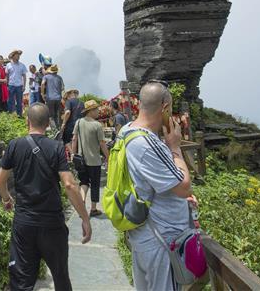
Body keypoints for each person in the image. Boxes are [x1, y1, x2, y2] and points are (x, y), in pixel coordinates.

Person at [0, 103, 92, 291]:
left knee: (21, 282)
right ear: (48, 123)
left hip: (24, 224)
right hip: (52, 224)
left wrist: (7, 199)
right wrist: (84, 218)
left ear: (27, 121)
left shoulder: (15, 145)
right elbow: (70, 185)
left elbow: (0, 181)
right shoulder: (56, 148)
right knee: (61, 277)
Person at [123, 82, 192, 291]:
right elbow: (183, 187)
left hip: (143, 235)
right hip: (161, 240)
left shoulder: (127, 131)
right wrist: (175, 147)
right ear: (165, 107)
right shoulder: (147, 143)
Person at [71, 100, 110, 216]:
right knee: (95, 185)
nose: (98, 111)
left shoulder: (78, 122)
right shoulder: (97, 125)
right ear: (91, 111)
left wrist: (74, 154)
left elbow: (74, 139)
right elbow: (102, 144)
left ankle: (82, 201)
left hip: (82, 160)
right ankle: (93, 209)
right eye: (96, 109)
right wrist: (108, 157)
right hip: (95, 161)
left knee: (84, 182)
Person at [6, 50, 28, 117]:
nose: (18, 56)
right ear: (13, 56)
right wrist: (7, 85)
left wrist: (24, 86)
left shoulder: (22, 65)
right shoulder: (8, 65)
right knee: (10, 101)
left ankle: (19, 115)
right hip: (11, 85)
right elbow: (7, 75)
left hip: (19, 85)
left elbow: (24, 76)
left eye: (19, 55)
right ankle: (11, 114)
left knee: (19, 101)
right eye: (17, 55)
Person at [42, 64, 65, 129]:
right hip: (58, 98)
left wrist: (42, 94)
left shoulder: (46, 77)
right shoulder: (59, 77)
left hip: (49, 98)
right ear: (57, 71)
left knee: (51, 115)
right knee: (57, 115)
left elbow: (43, 84)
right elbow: (63, 88)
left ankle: (54, 130)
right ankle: (58, 128)